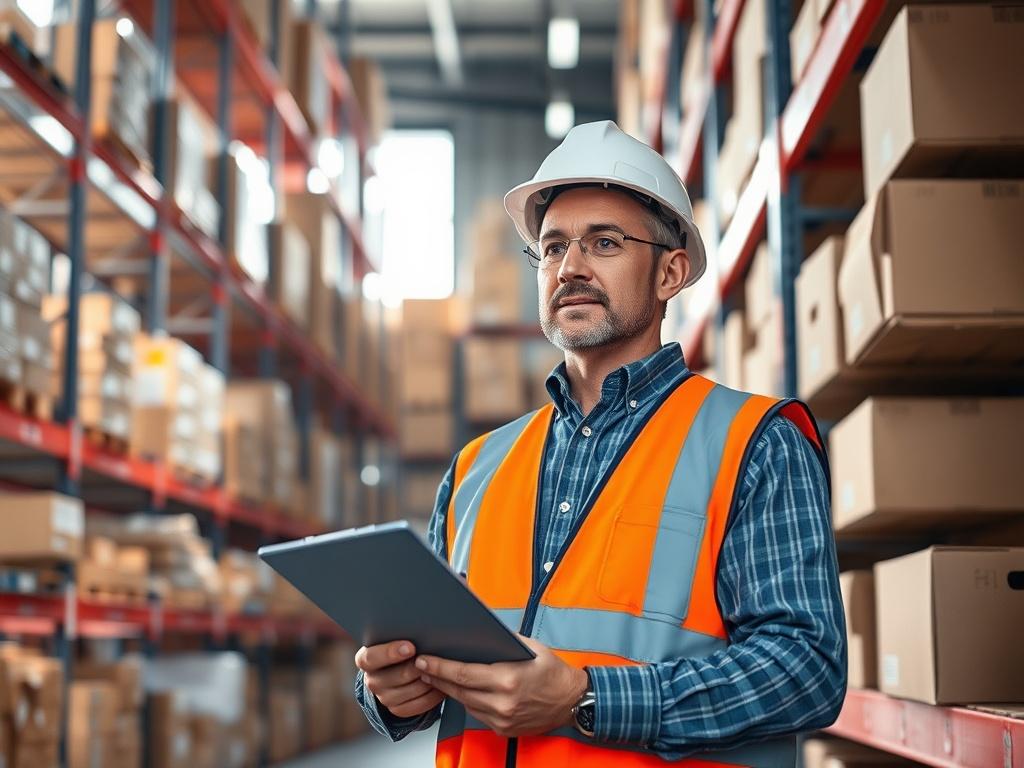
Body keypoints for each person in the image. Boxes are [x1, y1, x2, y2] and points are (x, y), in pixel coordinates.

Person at [354, 120, 846, 767]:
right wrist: (388, 690)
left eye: (604, 243)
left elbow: (806, 670)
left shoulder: (754, 444)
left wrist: (587, 698)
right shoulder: (477, 468)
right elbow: (425, 657)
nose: (571, 268)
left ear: (670, 273)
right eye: (553, 248)